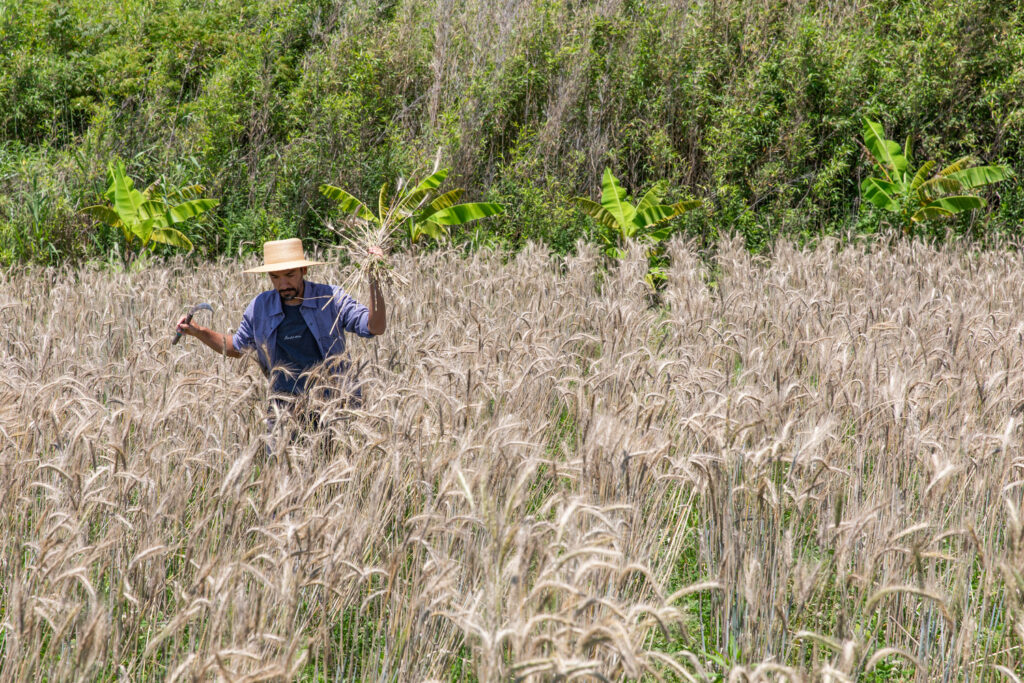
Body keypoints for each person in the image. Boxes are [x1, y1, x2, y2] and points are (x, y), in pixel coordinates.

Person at [175, 238, 386, 450]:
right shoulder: (260, 307)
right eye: (275, 277)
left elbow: (374, 327)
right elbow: (236, 347)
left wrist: (374, 280)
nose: (282, 284)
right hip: (284, 412)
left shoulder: (330, 298)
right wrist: (198, 331)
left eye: (289, 275)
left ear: (304, 270)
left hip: (336, 409)